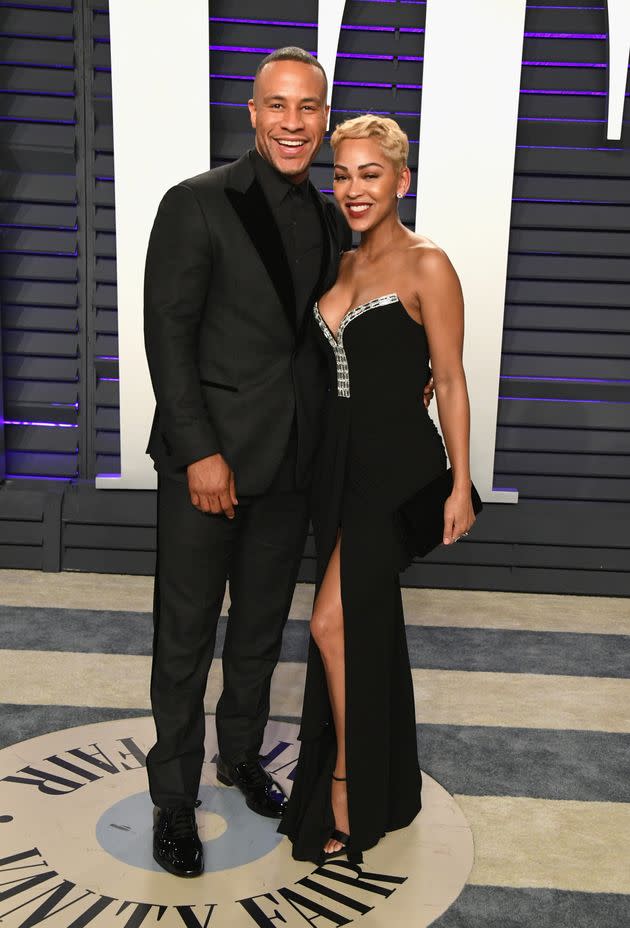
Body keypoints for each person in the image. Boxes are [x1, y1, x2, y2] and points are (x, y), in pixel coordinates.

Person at [142, 47, 352, 878]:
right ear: (254, 113)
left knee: (261, 634)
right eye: (279, 106)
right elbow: (170, 336)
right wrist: (200, 451)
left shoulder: (335, 219)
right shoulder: (196, 204)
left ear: (324, 120)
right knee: (185, 638)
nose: (294, 123)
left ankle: (237, 760)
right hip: (211, 463)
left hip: (293, 466)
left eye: (309, 109)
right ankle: (171, 800)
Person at [278, 115, 476, 865]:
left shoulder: (429, 265)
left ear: (402, 180)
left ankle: (348, 786)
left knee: (330, 626)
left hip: (395, 471)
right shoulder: (342, 261)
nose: (354, 189)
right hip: (338, 467)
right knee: (365, 627)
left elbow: (450, 379)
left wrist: (460, 482)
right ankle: (389, 783)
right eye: (343, 174)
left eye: (370, 174)